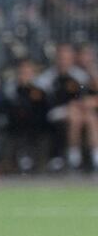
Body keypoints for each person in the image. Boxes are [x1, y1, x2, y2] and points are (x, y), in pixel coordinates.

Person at [37, 43, 98, 171]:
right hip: (53, 112)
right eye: (61, 58)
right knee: (74, 115)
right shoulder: (48, 77)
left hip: (76, 111)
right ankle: (73, 158)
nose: (64, 61)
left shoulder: (79, 75)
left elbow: (87, 94)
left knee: (91, 117)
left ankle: (94, 157)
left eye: (67, 58)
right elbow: (43, 101)